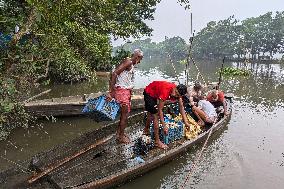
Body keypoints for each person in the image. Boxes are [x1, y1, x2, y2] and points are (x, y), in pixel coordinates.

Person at [107, 49, 143, 143]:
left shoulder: (130, 63)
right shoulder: (129, 62)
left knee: (124, 114)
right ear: (137, 57)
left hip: (125, 91)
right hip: (122, 92)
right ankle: (121, 137)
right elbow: (115, 73)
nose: (139, 62)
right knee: (124, 115)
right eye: (140, 59)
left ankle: (119, 132)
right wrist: (111, 91)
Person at [143, 81, 191, 149]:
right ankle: (157, 142)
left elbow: (181, 108)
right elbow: (160, 110)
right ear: (175, 88)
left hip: (155, 92)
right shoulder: (165, 91)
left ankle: (146, 129)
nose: (174, 95)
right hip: (149, 92)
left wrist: (186, 122)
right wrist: (164, 125)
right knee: (155, 115)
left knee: (151, 112)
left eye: (178, 95)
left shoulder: (179, 94)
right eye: (175, 93)